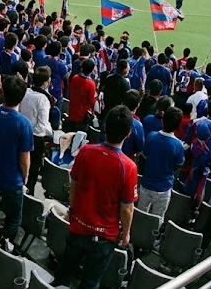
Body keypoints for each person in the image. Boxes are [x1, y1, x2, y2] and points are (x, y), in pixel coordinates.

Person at [53, 106, 138, 289]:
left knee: (63, 274)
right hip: (103, 236)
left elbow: (74, 185)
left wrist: (72, 210)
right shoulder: (129, 167)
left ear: (105, 127)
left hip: (78, 226)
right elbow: (127, 208)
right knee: (90, 283)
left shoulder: (85, 151)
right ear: (128, 134)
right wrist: (126, 233)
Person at [0, 75, 33, 250]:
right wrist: (25, 177)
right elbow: (24, 158)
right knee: (13, 219)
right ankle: (3, 247)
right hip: (12, 180)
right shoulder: (23, 124)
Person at [137, 106, 184, 217]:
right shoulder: (178, 145)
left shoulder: (151, 136)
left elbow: (144, 158)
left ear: (162, 120)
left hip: (146, 184)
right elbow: (178, 165)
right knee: (158, 218)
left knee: (140, 214)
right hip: (163, 188)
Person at [18, 65, 53, 188]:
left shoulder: (25, 92)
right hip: (34, 139)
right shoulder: (43, 99)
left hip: (21, 134)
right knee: (31, 171)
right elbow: (42, 125)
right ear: (46, 82)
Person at [65, 59, 97, 133]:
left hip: (72, 111)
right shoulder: (91, 84)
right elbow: (91, 101)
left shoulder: (75, 78)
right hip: (82, 116)